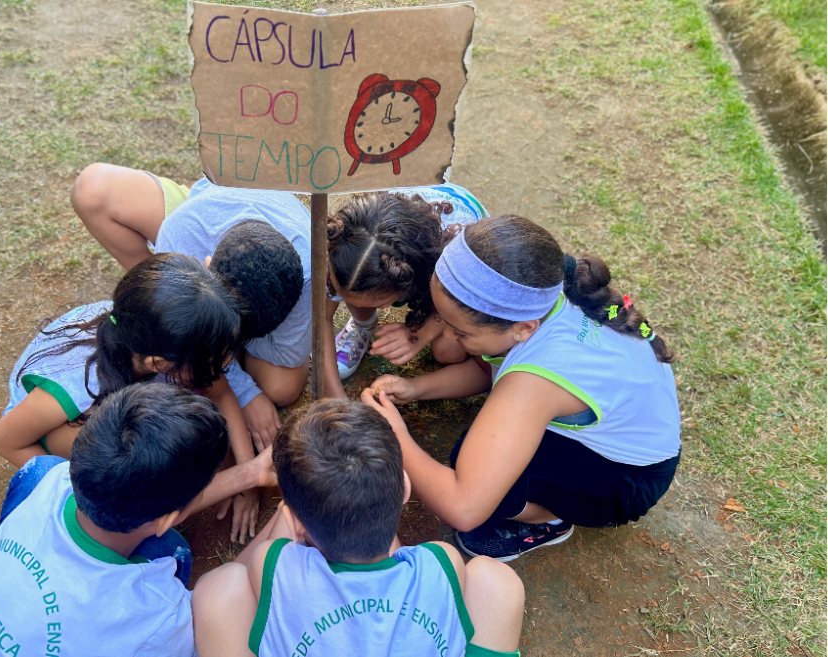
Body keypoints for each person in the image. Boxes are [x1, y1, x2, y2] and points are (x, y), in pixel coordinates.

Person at [364, 215, 681, 562]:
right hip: (631, 427)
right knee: (480, 445)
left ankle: (549, 519)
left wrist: (396, 436)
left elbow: (464, 507)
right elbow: (488, 368)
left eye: (461, 330)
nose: (447, 335)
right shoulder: (536, 291)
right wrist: (416, 388)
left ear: (523, 329)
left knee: (472, 469)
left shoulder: (532, 381)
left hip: (629, 477)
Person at [0, 383, 274, 657]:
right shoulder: (158, 618)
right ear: (167, 518)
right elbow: (215, 609)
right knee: (172, 550)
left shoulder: (47, 476)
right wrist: (283, 525)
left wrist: (249, 474)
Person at [191, 399, 524, 657]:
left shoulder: (274, 567)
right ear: (405, 489)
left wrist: (292, 514)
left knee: (217, 589)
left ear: (295, 522)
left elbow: (272, 558)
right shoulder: (443, 562)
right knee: (497, 582)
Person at [0, 253, 262, 542]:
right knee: (137, 462)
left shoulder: (157, 330)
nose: (225, 366)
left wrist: (247, 477)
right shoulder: (74, 390)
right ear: (158, 364)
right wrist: (69, 491)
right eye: (218, 359)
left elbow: (219, 390)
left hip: (113, 393)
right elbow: (6, 440)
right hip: (56, 426)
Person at [70, 164, 310, 450]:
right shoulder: (179, 232)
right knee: (91, 190)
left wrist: (238, 385)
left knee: (280, 389)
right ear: (205, 264)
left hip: (255, 248)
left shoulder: (307, 274)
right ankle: (154, 301)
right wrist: (243, 392)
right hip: (201, 215)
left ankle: (181, 319)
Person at [324, 183, 487, 398]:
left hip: (453, 265)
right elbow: (322, 320)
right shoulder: (343, 251)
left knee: (448, 352)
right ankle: (363, 324)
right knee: (356, 285)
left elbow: (465, 303)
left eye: (378, 303)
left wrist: (421, 334)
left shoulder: (456, 259)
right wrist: (337, 397)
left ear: (405, 282)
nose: (351, 303)